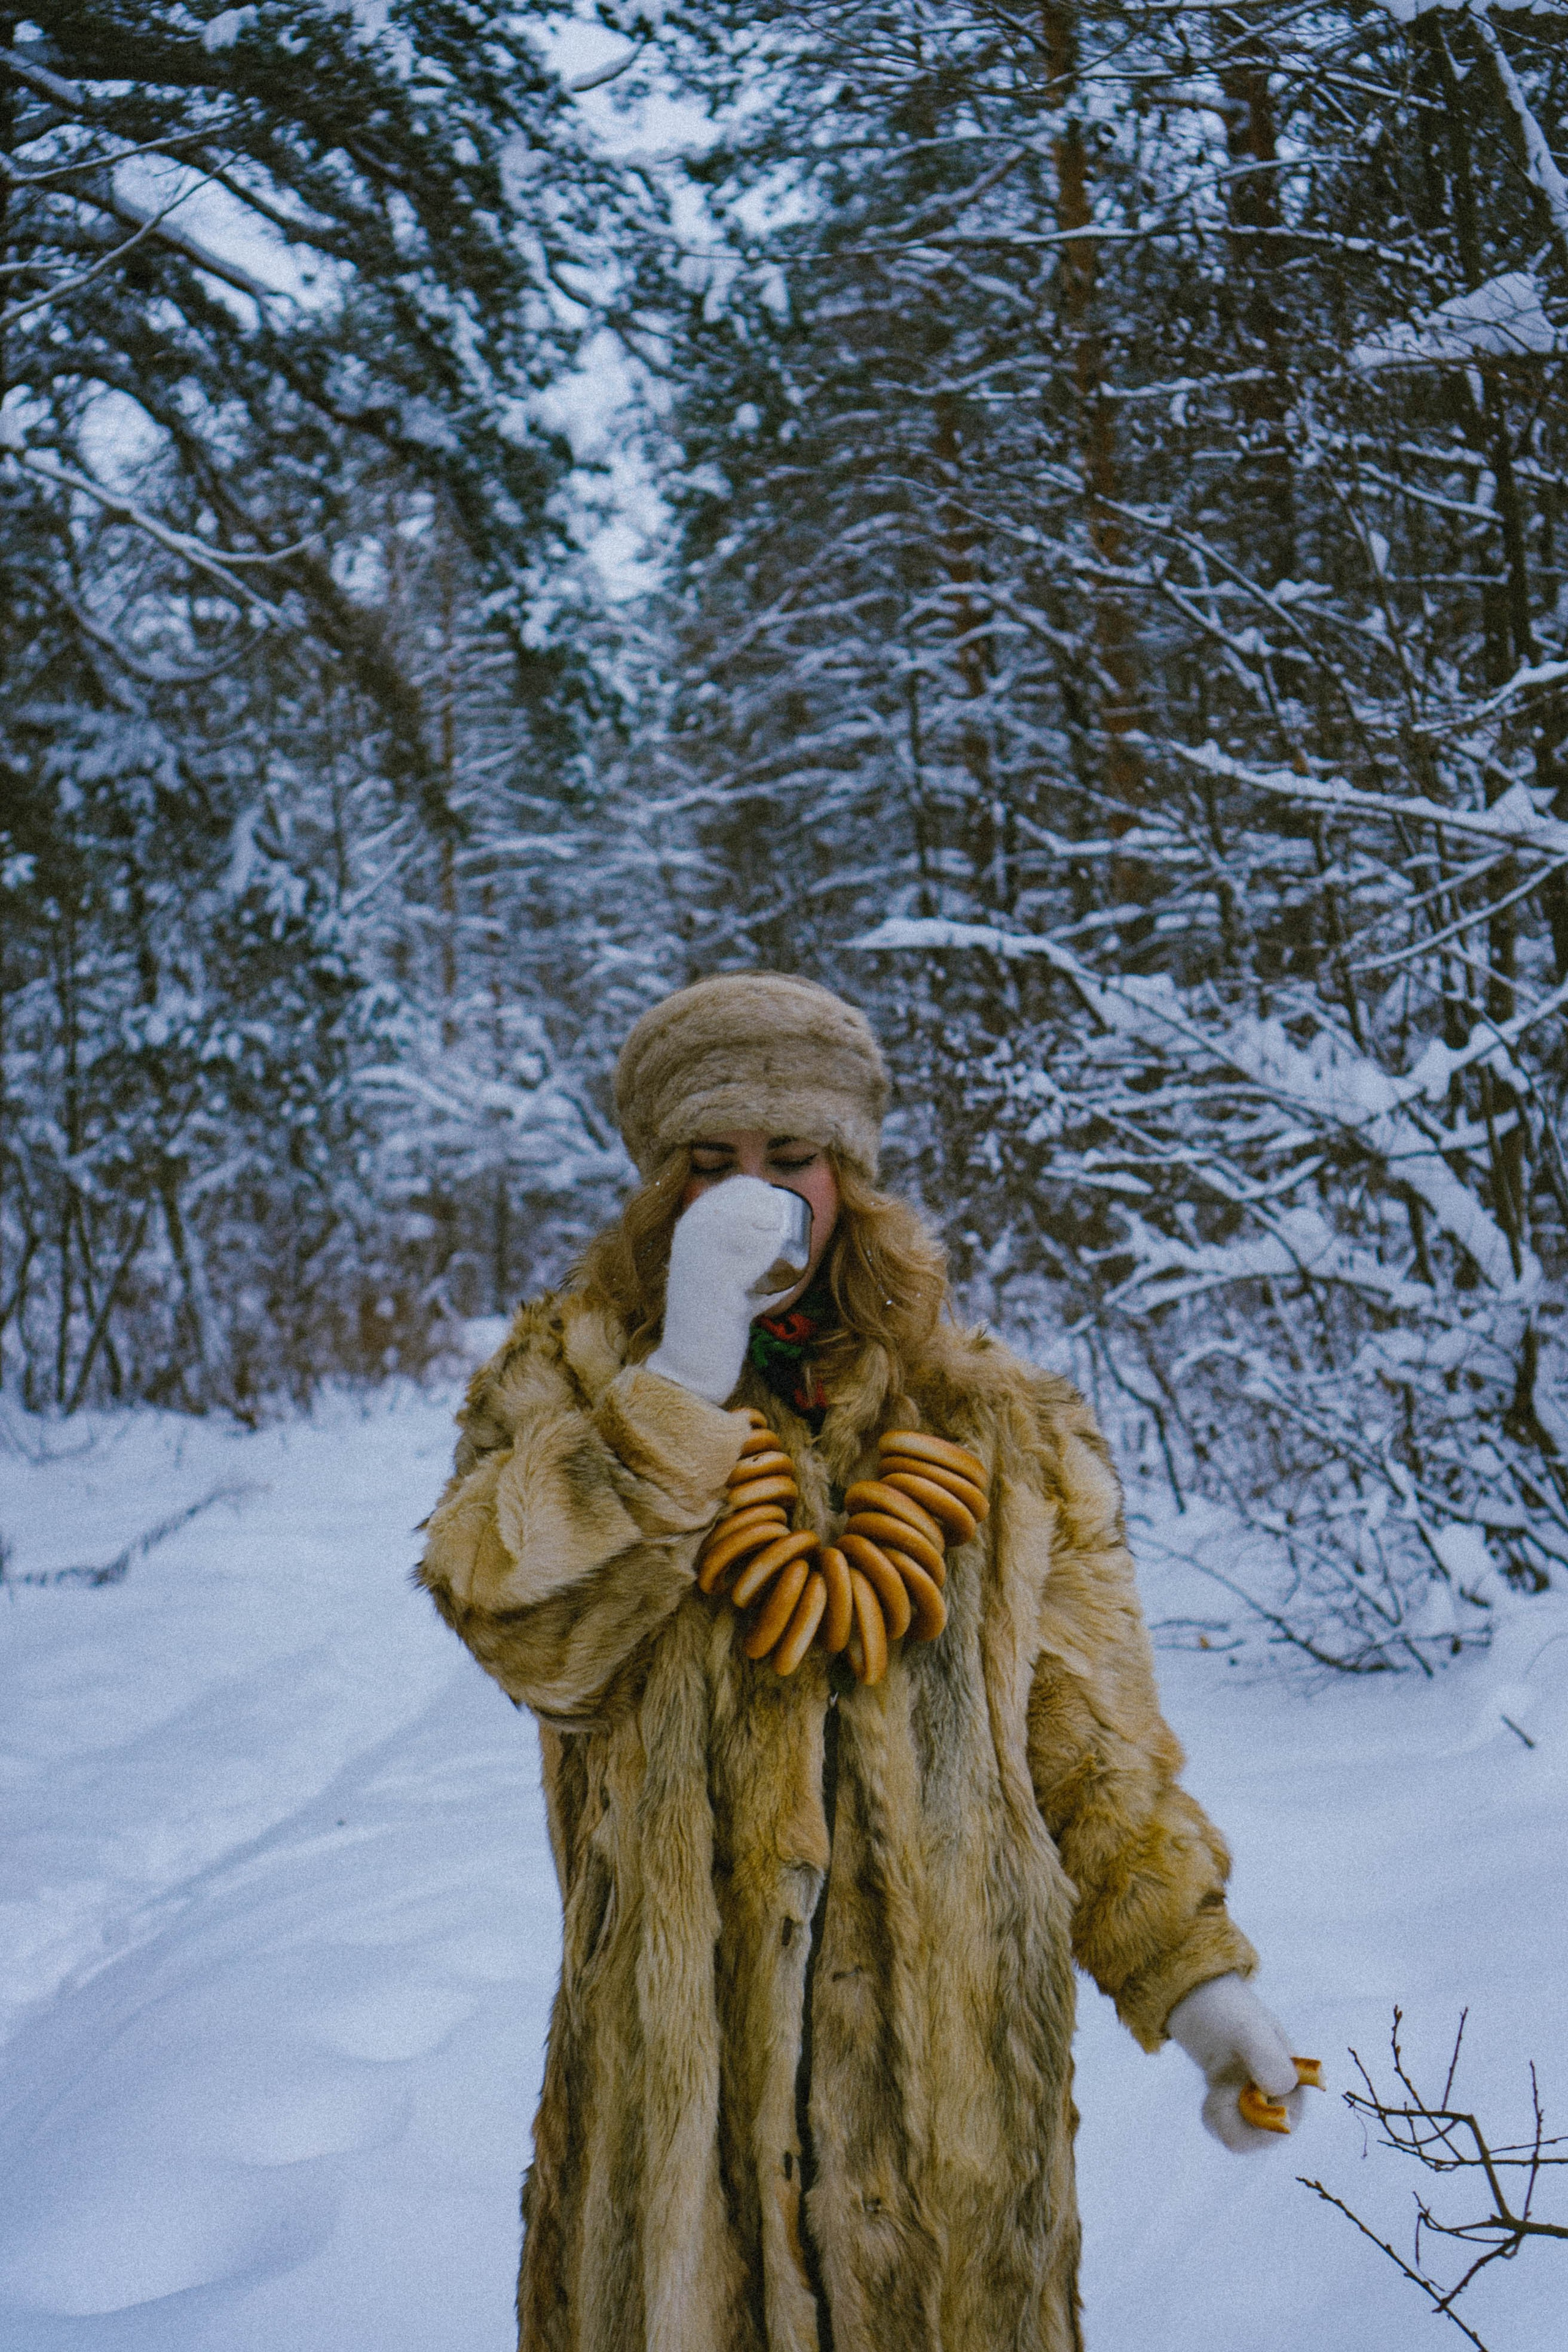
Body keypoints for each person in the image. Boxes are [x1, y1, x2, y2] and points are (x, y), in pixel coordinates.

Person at [418, 971, 1310, 2352]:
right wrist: (679, 1390)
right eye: (708, 1166)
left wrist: (1197, 1984)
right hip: (677, 2112)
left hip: (950, 2124)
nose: (754, 1199)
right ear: (657, 1185)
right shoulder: (569, 1386)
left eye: (792, 1161)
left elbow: (1085, 1749)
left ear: (852, 1174)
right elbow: (519, 1627)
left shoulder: (996, 1420)